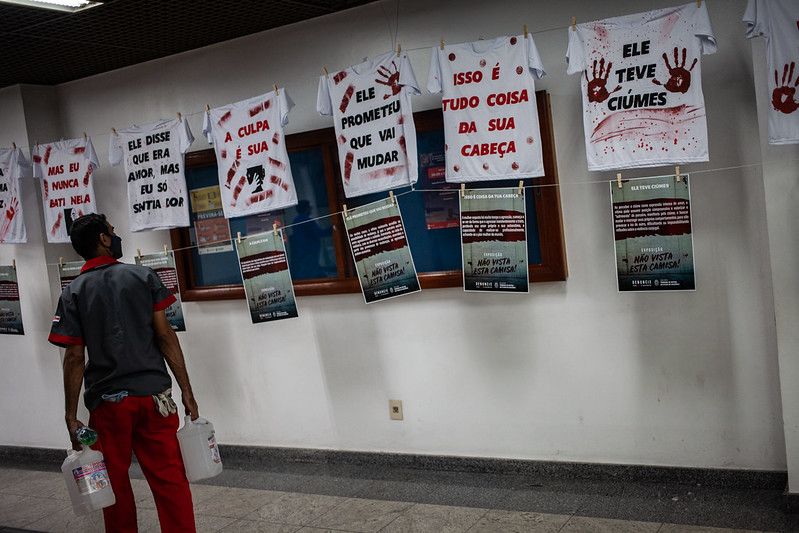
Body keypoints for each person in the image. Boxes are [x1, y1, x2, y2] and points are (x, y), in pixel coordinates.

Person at [48, 213, 198, 533]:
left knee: (113, 485)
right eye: (112, 232)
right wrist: (186, 390)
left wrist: (70, 414)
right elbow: (165, 336)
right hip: (155, 399)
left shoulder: (73, 292)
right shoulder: (142, 277)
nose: (115, 237)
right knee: (171, 481)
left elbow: (74, 357)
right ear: (103, 239)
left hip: (108, 406)